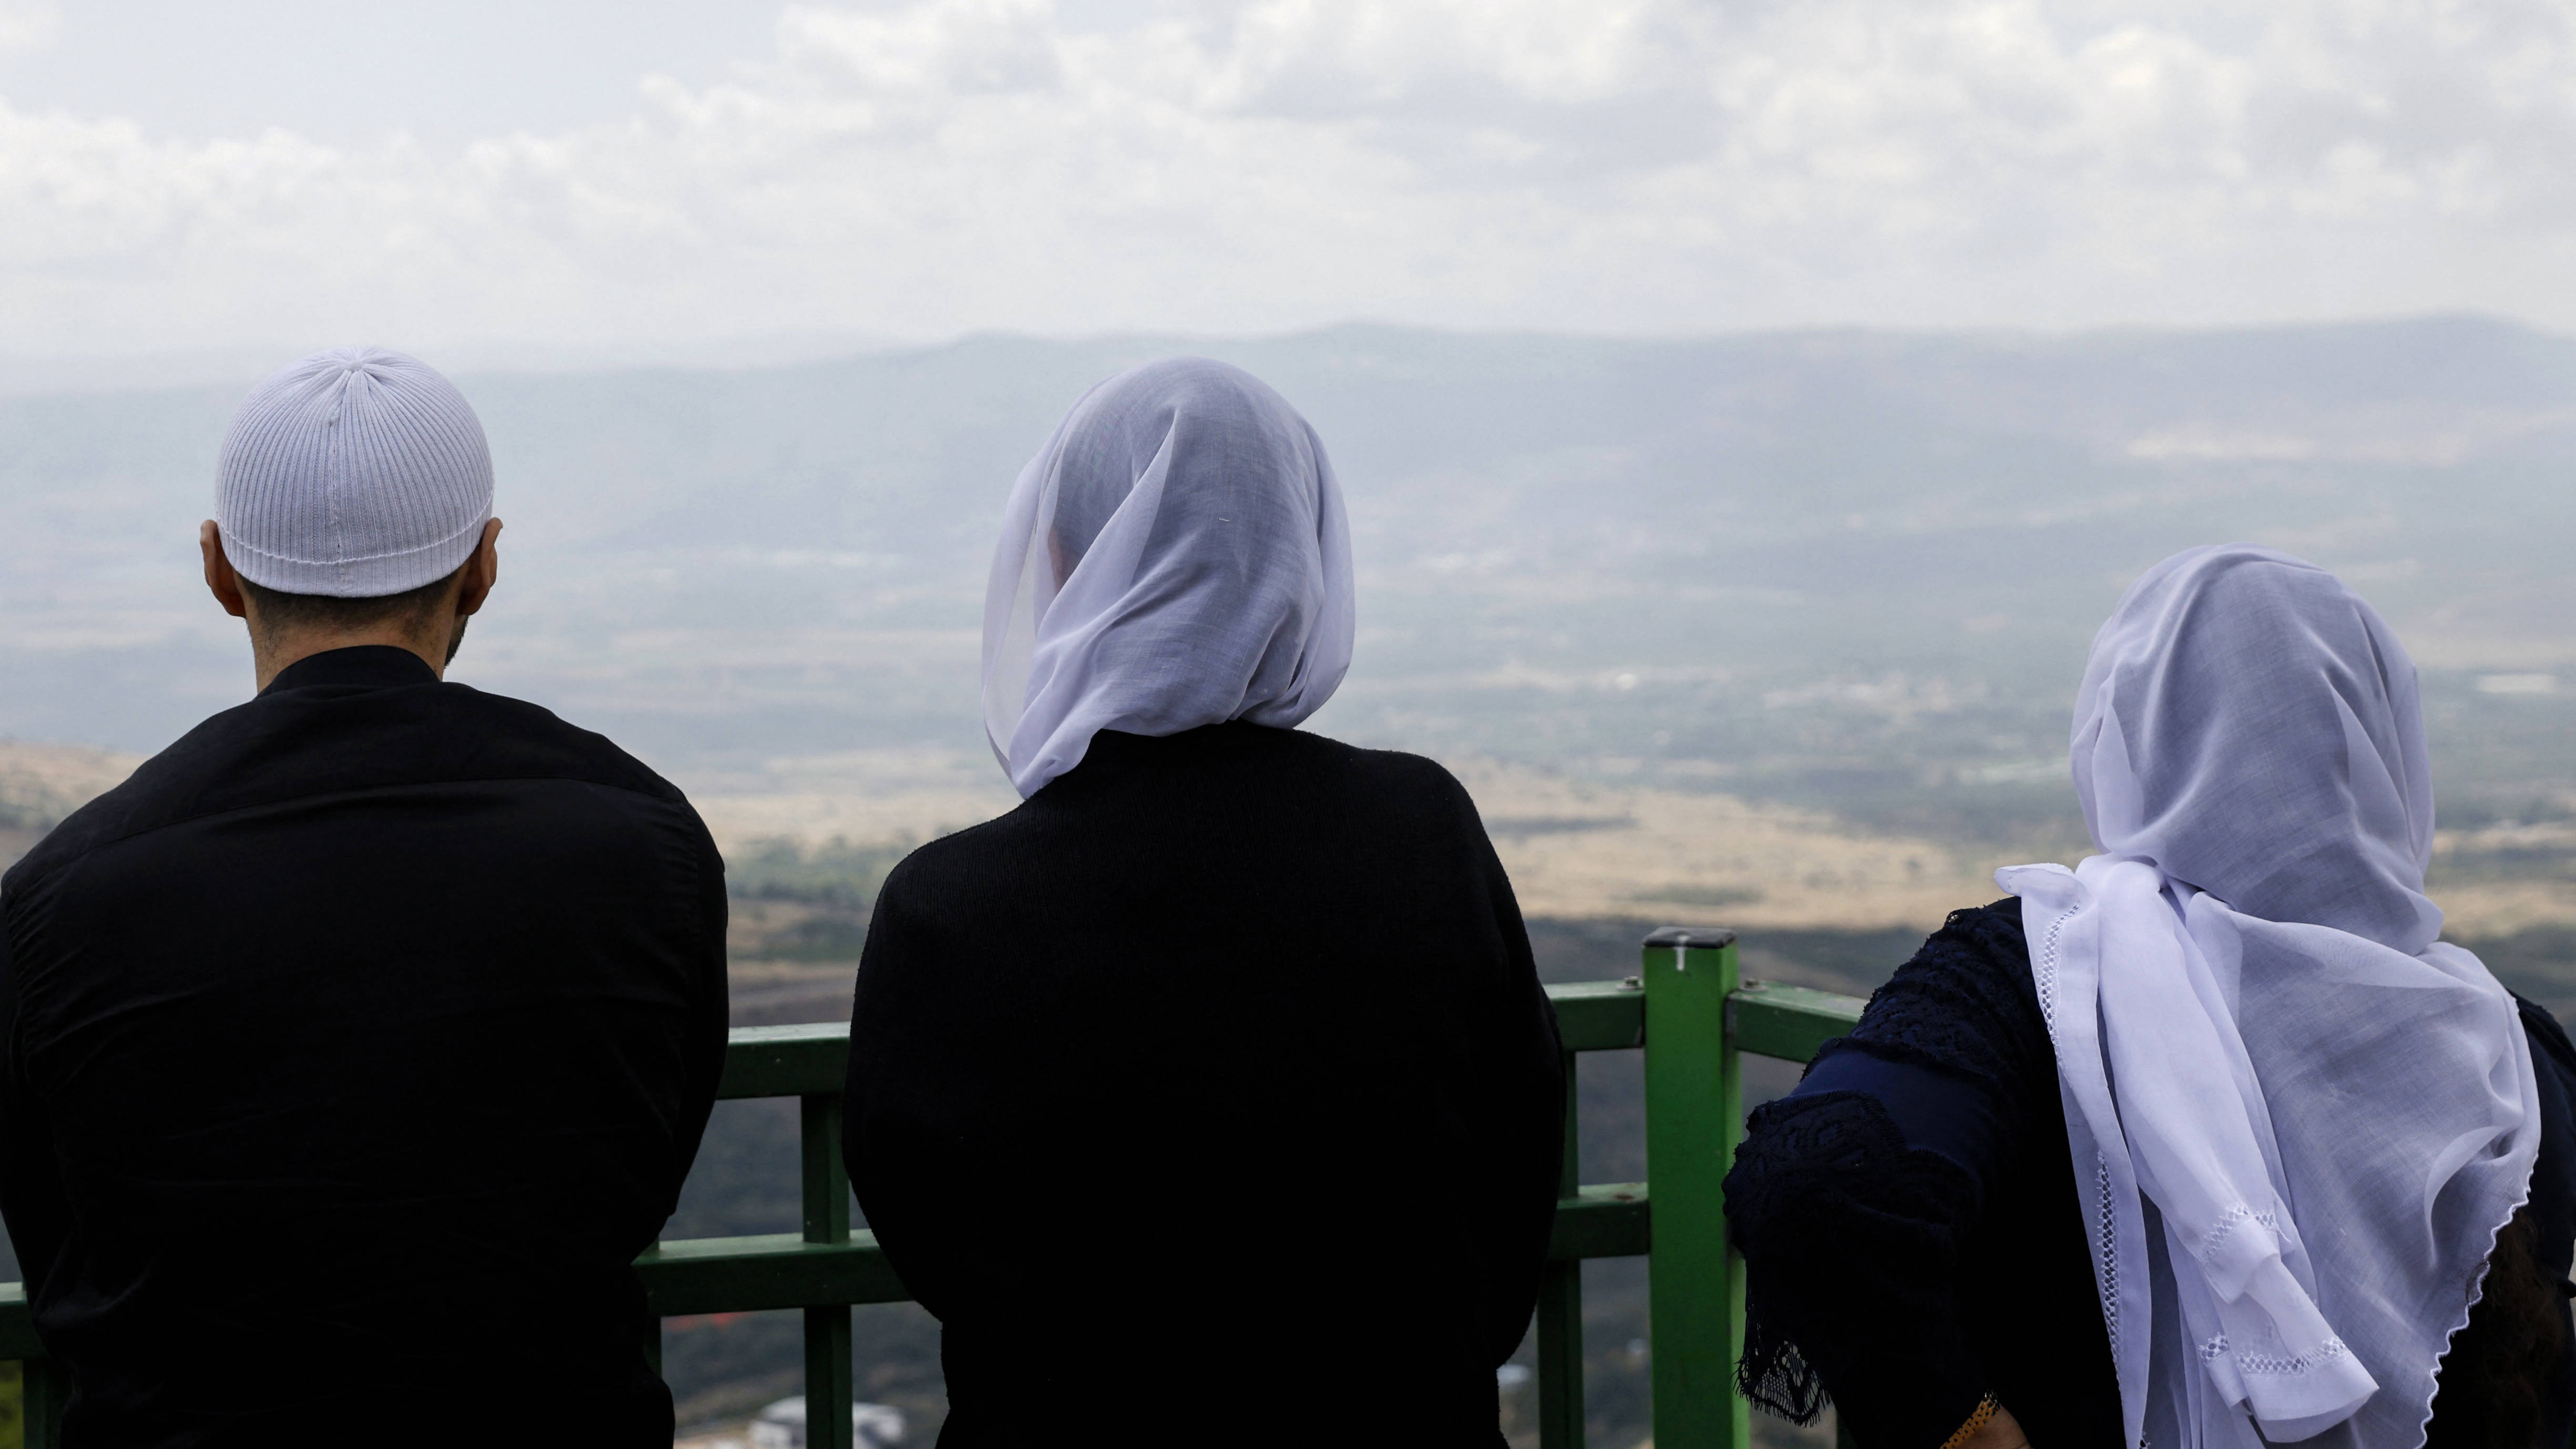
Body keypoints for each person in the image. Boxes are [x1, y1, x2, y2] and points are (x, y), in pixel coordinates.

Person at [0, 348, 729, 1446]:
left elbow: (63, 1239)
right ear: (483, 567)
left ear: (219, 570)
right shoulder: (643, 841)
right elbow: (648, 1162)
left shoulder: (64, 895)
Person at [842, 358, 1565, 1446]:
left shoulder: (947, 906)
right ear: (1302, 561)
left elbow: (933, 1243)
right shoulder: (1424, 828)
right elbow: (1513, 1164)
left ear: (1062, 564)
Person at [1723, 544, 2575, 1449]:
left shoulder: (2034, 980)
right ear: (2381, 748)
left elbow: (1815, 1181)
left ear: (2121, 738)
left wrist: (1964, 1426)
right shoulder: (2509, 1059)